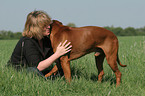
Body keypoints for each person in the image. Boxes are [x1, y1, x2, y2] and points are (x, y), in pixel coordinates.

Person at [7, 10, 72, 77]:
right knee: (33, 71)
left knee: (60, 73)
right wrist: (57, 54)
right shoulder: (27, 42)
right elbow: (38, 67)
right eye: (44, 26)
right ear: (35, 28)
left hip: (38, 71)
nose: (49, 27)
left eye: (48, 24)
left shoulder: (46, 40)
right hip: (20, 72)